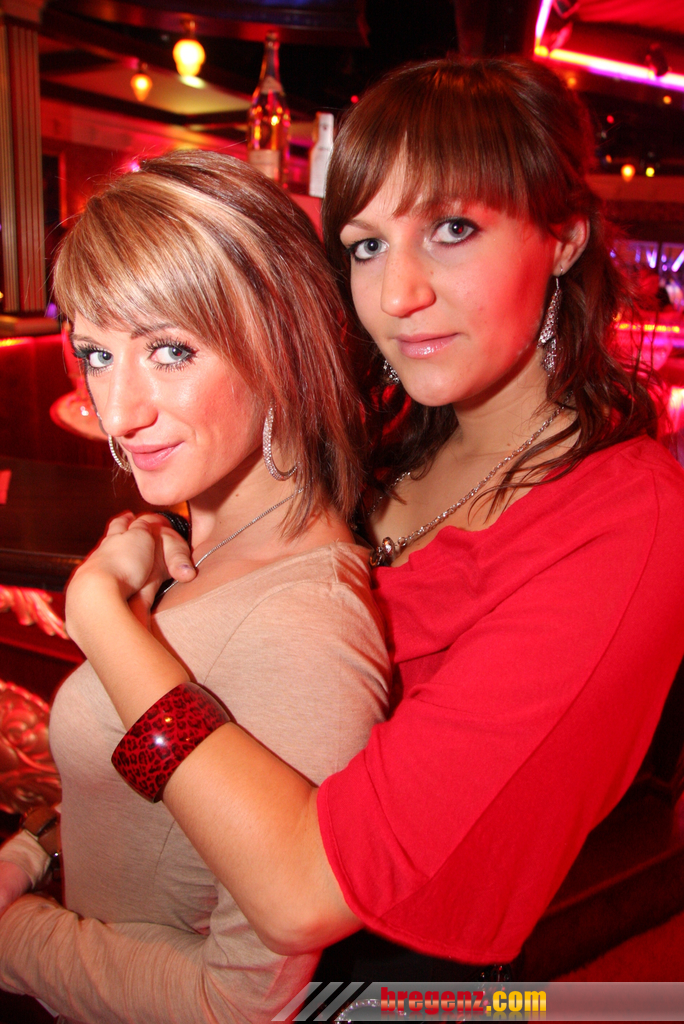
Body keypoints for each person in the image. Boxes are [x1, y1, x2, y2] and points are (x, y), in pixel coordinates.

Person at [2, 53, 684, 1001]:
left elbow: (301, 893)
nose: (397, 294)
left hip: (392, 993)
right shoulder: (382, 435)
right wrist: (49, 839)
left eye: (452, 229)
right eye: (366, 246)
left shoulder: (629, 529)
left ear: (563, 237)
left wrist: (103, 619)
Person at [0, 151, 390, 1022]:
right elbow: (144, 801)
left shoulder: (304, 626)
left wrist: (16, 938)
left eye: (171, 350)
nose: (120, 410)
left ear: (283, 346)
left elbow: (240, 1004)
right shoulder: (200, 544)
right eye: (98, 354)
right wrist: (33, 852)